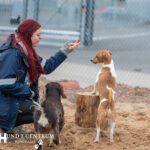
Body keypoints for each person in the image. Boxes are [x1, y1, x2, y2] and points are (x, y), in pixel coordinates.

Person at [0, 19, 80, 133]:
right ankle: (6, 126)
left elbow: (46, 67)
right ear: (28, 35)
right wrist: (29, 92)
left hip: (13, 98)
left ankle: (11, 126)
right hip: (4, 100)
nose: (40, 37)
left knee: (41, 109)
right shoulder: (13, 54)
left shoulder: (27, 51)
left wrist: (65, 50)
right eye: (38, 35)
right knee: (39, 111)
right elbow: (5, 84)